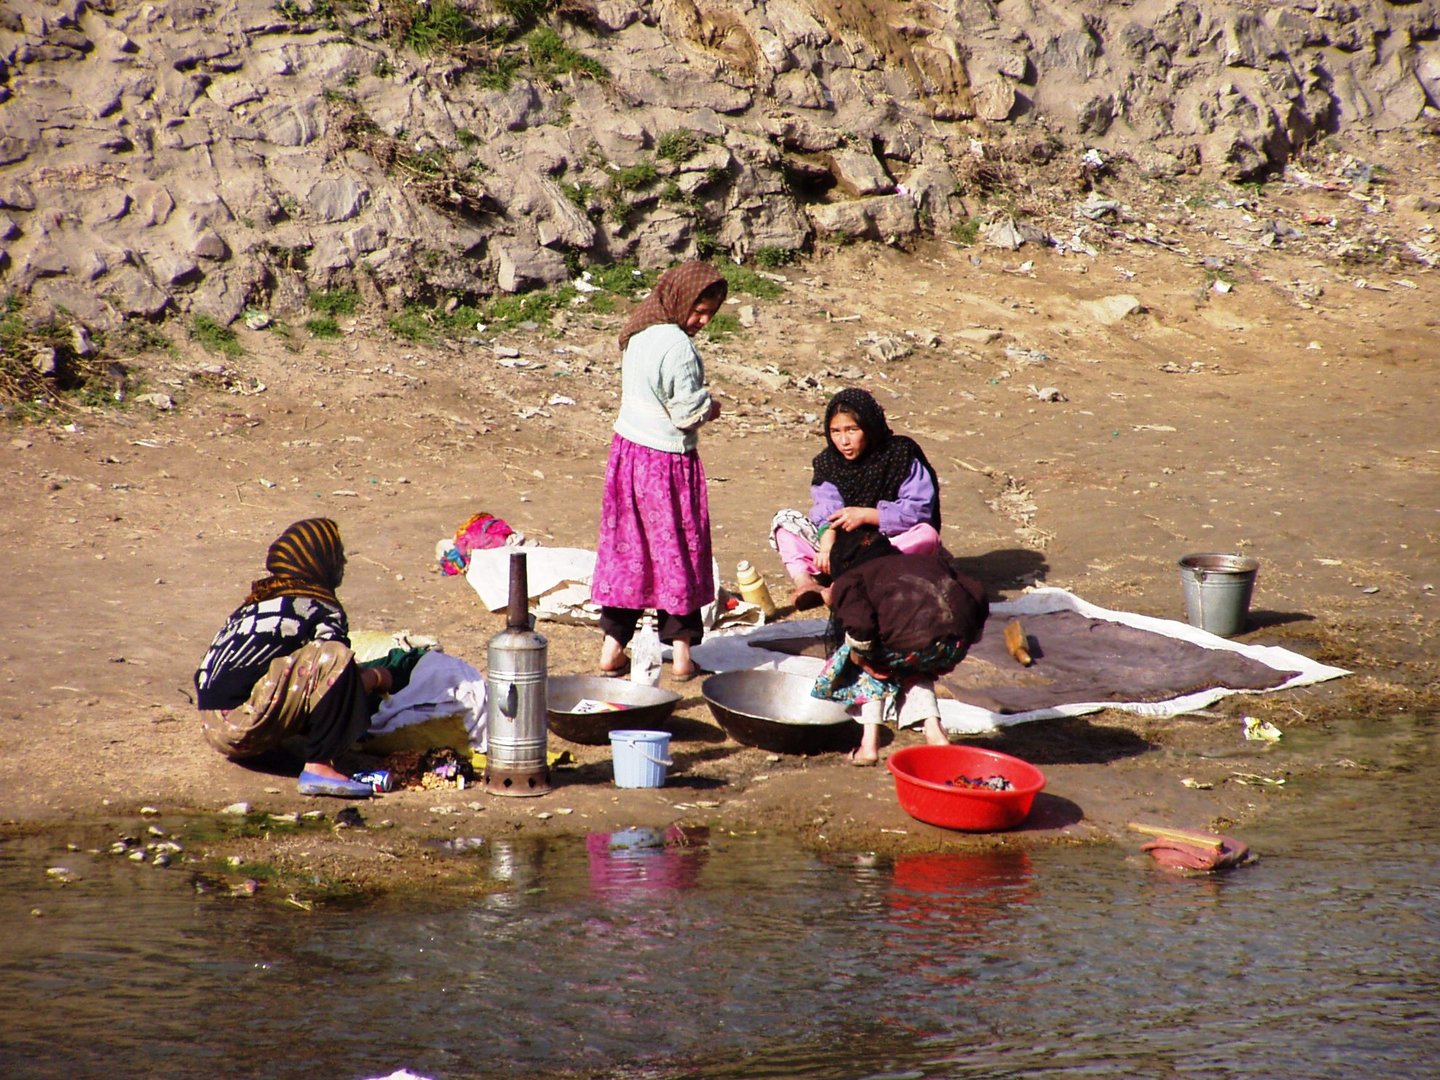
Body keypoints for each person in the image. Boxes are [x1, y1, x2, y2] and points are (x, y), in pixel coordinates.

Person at [194, 517, 421, 798]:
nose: (343, 564)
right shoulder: (317, 605)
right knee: (335, 656)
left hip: (214, 728)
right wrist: (378, 677)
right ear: (318, 560)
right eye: (338, 557)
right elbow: (338, 676)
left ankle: (276, 748)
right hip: (247, 727)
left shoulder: (255, 604)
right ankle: (319, 767)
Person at [591, 261, 728, 682]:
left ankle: (612, 649)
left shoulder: (639, 335)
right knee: (676, 554)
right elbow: (686, 413)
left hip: (628, 456)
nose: (702, 321)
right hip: (667, 464)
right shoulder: (679, 349)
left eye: (709, 314)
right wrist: (712, 408)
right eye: (699, 311)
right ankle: (683, 657)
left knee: (631, 553)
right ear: (681, 299)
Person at [812, 526, 989, 766]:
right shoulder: (929, 563)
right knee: (914, 668)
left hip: (907, 644)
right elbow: (977, 592)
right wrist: (969, 637)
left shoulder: (851, 580)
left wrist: (859, 656)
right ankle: (935, 733)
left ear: (842, 564)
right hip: (953, 643)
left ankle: (868, 745)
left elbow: (861, 627)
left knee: (861, 663)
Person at [770, 386, 943, 610]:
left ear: (869, 426)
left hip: (887, 542)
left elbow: (918, 510)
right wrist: (827, 544)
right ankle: (806, 584)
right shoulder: (828, 462)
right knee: (785, 523)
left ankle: (846, 585)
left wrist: (868, 515)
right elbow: (826, 507)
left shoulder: (901, 454)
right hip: (840, 547)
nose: (844, 441)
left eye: (852, 429)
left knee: (926, 535)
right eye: (836, 431)